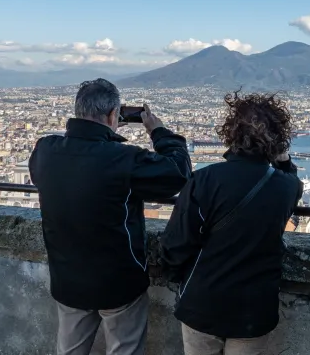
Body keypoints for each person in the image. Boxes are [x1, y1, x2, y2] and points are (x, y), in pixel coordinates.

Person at [29, 79, 192, 355]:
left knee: (68, 350)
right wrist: (159, 132)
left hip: (67, 277)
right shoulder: (124, 159)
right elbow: (178, 173)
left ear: (78, 112)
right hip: (119, 281)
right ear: (113, 115)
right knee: (124, 349)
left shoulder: (45, 150)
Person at [161, 91, 303, 355]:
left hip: (203, 303)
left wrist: (176, 275)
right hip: (254, 309)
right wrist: (283, 159)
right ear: (278, 138)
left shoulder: (205, 180)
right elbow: (291, 184)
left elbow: (177, 241)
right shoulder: (287, 186)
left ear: (231, 133)